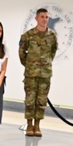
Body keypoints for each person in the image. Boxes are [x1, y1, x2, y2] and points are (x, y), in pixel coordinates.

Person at [19, 8, 57, 137]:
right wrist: (29, 64)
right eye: (42, 17)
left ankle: (37, 125)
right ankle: (29, 125)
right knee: (30, 100)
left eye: (46, 17)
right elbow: (21, 52)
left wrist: (45, 63)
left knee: (41, 101)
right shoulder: (28, 35)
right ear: (36, 18)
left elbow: (53, 51)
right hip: (31, 73)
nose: (44, 19)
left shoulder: (52, 35)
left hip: (45, 74)